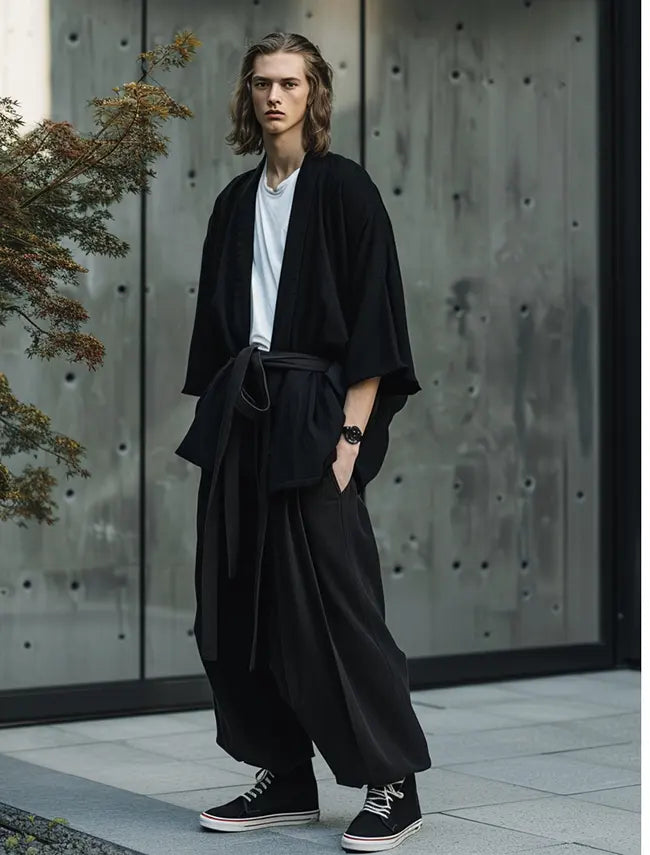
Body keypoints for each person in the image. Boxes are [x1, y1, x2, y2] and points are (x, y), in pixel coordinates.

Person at [175, 32, 429, 853]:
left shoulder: (346, 192)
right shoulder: (233, 202)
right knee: (233, 605)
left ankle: (394, 782)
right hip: (243, 414)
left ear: (315, 95)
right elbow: (218, 333)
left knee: (336, 606)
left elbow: (372, 325)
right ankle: (283, 775)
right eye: (261, 83)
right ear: (247, 96)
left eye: (289, 83)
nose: (274, 97)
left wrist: (351, 437)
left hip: (318, 415)